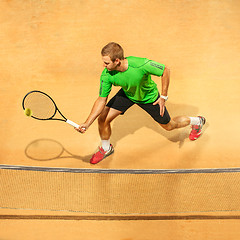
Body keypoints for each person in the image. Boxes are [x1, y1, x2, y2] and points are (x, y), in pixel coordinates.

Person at [75, 42, 206, 164]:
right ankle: (105, 148)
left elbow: (165, 70)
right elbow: (101, 100)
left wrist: (163, 97)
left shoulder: (139, 64)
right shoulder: (107, 74)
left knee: (170, 126)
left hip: (149, 98)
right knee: (103, 118)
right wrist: (87, 123)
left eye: (106, 63)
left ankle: (197, 121)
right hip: (128, 94)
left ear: (117, 61)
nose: (104, 65)